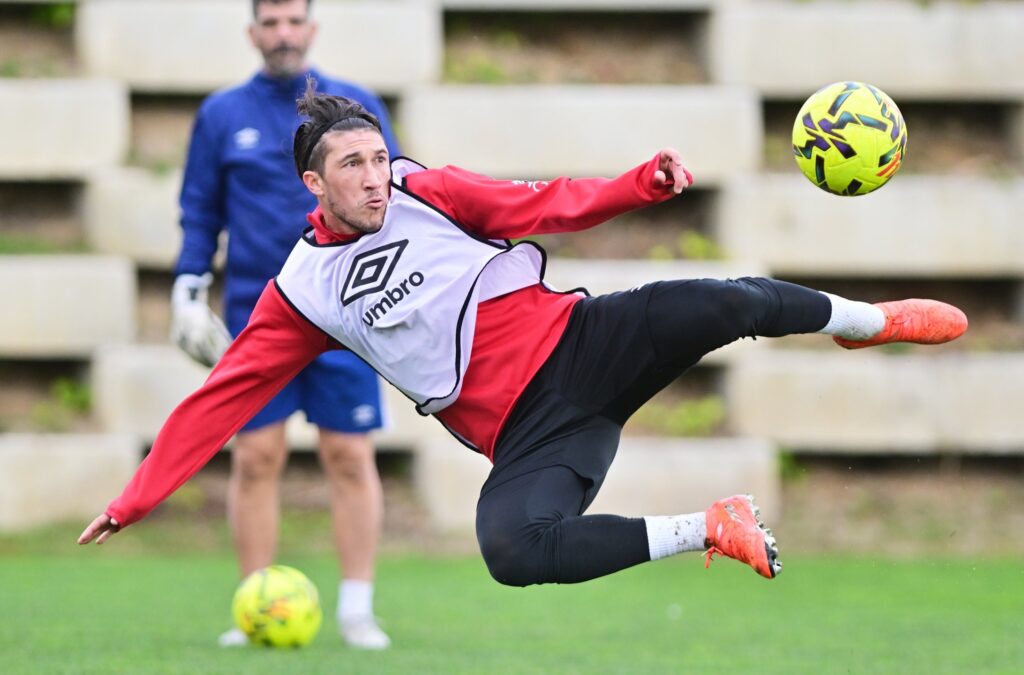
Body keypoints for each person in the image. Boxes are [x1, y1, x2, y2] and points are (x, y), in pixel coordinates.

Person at [82, 86, 969, 593]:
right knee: (512, 549)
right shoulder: (301, 291)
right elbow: (221, 397)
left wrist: (639, 185)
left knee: (723, 299)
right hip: (531, 432)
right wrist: (135, 498)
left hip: (584, 341)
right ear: (313, 181)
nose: (375, 177)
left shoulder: (426, 189)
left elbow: (539, 204)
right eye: (351, 166)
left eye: (378, 157)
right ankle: (711, 526)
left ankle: (870, 322)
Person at [167, 0, 399, 649]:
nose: (283, 34)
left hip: (347, 314)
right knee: (256, 455)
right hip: (257, 316)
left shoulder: (356, 106)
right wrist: (189, 288)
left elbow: (398, 198)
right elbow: (200, 209)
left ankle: (358, 607)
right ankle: (255, 603)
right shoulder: (221, 115)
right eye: (270, 23)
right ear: (253, 33)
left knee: (349, 454)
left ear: (312, 29)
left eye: (293, 21)